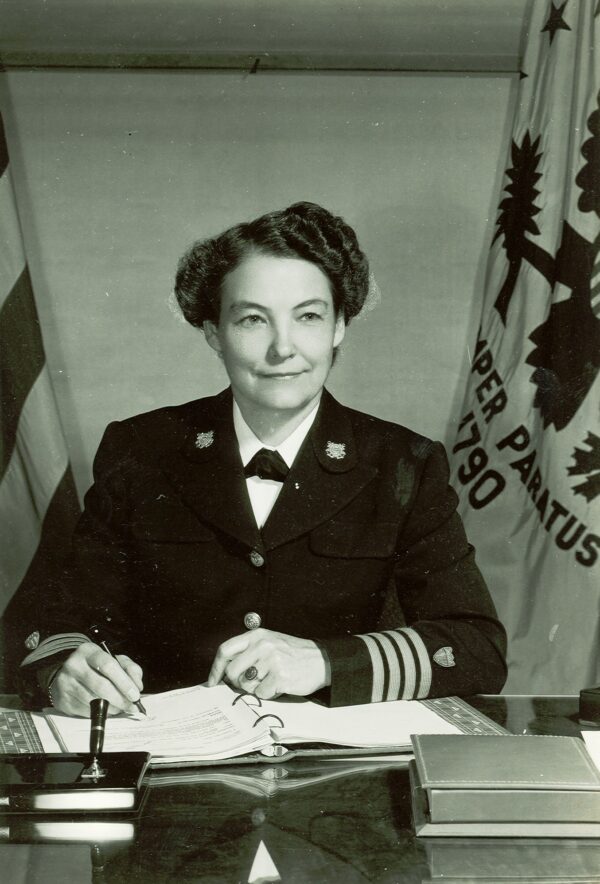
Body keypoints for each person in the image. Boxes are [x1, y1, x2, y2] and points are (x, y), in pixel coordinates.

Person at [20, 201, 507, 715]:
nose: (283, 348)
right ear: (213, 333)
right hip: (170, 765)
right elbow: (57, 622)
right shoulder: (141, 450)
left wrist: (323, 661)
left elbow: (476, 648)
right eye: (252, 319)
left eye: (309, 317)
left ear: (340, 326)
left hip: (338, 768)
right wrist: (64, 670)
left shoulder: (405, 463)